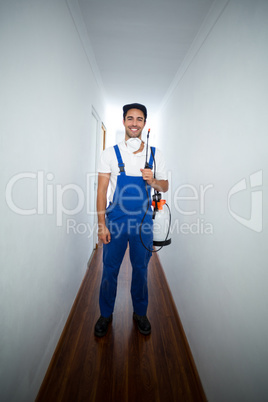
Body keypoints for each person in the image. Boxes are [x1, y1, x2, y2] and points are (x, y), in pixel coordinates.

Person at [94, 103, 168, 337]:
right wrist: (101, 225)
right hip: (115, 221)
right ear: (124, 121)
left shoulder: (155, 154)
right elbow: (101, 191)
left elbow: (165, 186)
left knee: (141, 270)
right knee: (109, 270)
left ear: (145, 124)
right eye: (130, 118)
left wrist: (153, 180)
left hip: (143, 222)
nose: (134, 123)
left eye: (139, 119)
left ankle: (140, 312)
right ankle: (105, 314)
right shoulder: (110, 153)